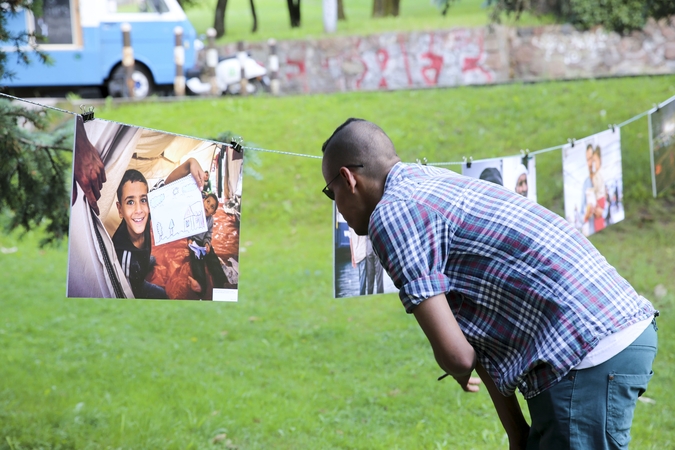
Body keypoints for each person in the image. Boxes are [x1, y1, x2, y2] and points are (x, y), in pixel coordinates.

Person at [321, 118, 658, 450]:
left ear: (348, 179)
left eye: (330, 192)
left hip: (585, 350)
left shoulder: (392, 213)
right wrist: (516, 432)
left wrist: (453, 362)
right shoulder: (430, 179)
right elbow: (472, 337)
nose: (336, 205)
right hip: (610, 330)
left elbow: (458, 355)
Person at [112, 169, 168, 299]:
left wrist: (190, 163)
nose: (139, 210)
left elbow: (167, 186)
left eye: (143, 200)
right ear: (120, 210)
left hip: (140, 260)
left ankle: (146, 262)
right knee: (163, 295)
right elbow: (127, 295)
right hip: (136, 284)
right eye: (130, 202)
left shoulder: (145, 215)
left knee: (150, 261)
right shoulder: (124, 257)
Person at [187, 193, 228, 295]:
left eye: (212, 207)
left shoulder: (210, 220)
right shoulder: (195, 213)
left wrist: (207, 244)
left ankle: (222, 281)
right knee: (197, 261)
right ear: (203, 200)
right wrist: (190, 239)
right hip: (194, 242)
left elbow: (208, 234)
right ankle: (200, 284)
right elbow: (188, 227)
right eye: (208, 202)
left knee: (213, 258)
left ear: (213, 212)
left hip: (203, 243)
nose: (208, 206)